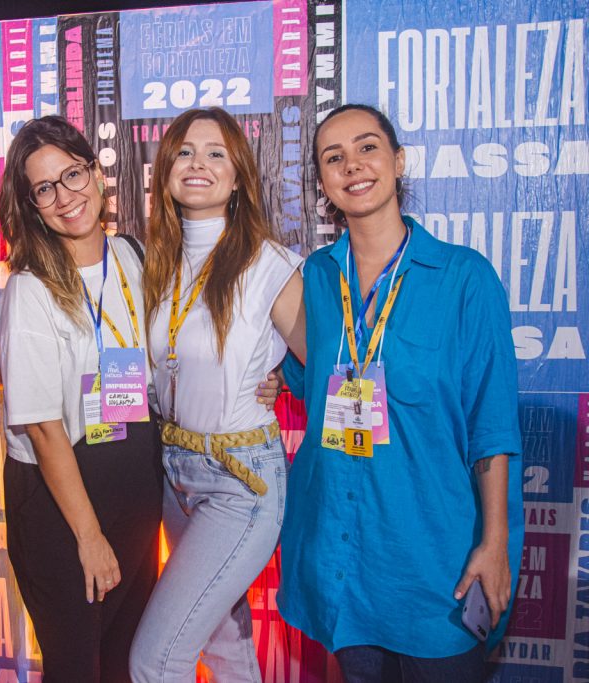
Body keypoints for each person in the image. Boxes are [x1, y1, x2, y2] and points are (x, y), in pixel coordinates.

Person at [276, 103, 523, 682]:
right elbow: (307, 377)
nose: (352, 166)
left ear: (398, 161)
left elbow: (493, 423)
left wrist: (494, 542)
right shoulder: (313, 278)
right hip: (340, 563)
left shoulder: (464, 277)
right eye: (333, 158)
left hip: (431, 568)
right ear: (323, 183)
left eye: (367, 148)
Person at [127, 107, 306, 682]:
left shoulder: (267, 263)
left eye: (215, 153)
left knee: (156, 660)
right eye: (184, 151)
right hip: (174, 476)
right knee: (223, 645)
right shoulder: (159, 264)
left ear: (238, 177)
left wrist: (281, 380)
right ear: (166, 172)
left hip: (239, 479)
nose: (197, 163)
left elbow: (327, 363)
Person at [0, 115, 164, 682]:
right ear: (31, 205)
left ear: (96, 173)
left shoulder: (133, 257)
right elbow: (43, 430)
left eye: (73, 174)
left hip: (134, 484)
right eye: (45, 188)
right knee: (75, 669)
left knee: (122, 660)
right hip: (61, 503)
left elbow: (172, 358)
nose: (66, 196)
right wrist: (89, 538)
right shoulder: (30, 288)